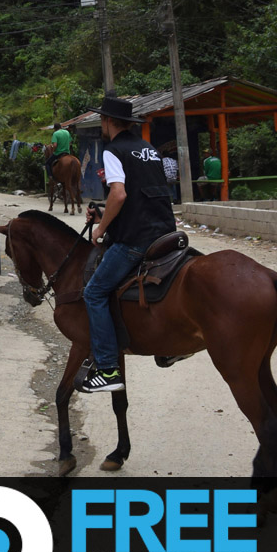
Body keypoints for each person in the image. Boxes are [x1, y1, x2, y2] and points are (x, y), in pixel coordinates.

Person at [77, 96, 176, 395]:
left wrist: (101, 228)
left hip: (137, 238)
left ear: (107, 122)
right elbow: (140, 192)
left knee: (93, 292)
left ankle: (107, 368)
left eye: (102, 122)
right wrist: (101, 210)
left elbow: (119, 195)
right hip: (166, 232)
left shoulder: (113, 150)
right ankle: (170, 345)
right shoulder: (147, 148)